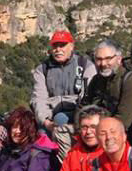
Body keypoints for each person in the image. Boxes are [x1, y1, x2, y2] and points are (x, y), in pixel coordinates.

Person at [30, 30, 95, 158]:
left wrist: (78, 119)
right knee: (39, 138)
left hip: (78, 114)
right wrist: (46, 121)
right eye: (55, 46)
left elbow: (87, 97)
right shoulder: (42, 70)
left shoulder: (85, 65)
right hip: (50, 116)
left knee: (60, 119)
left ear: (71, 46)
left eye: (62, 45)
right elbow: (39, 98)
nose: (58, 49)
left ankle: (70, 165)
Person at [83, 40, 132, 142]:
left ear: (119, 59)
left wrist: (95, 131)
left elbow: (122, 121)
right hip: (93, 130)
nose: (103, 63)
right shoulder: (96, 80)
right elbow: (84, 106)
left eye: (108, 59)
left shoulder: (130, 82)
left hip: (118, 137)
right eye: (99, 59)